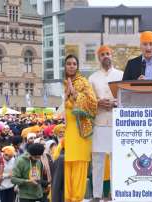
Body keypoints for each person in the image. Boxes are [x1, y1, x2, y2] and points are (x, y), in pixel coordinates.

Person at [88, 45, 123, 201]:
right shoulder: (92, 77)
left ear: (112, 55)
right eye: (102, 54)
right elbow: (88, 101)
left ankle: (115, 194)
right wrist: (98, 103)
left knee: (117, 160)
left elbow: (127, 97)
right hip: (99, 122)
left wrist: (115, 103)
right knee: (98, 161)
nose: (105, 56)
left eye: (108, 53)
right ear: (99, 58)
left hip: (117, 123)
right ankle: (96, 195)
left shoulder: (122, 75)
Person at [64, 54, 98, 202]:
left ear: (77, 67)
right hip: (65, 130)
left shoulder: (83, 82)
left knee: (78, 164)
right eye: (68, 64)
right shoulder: (62, 83)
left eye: (74, 64)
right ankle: (66, 196)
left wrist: (75, 93)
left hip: (80, 130)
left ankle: (76, 198)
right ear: (64, 66)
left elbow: (93, 104)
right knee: (66, 163)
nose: (71, 66)